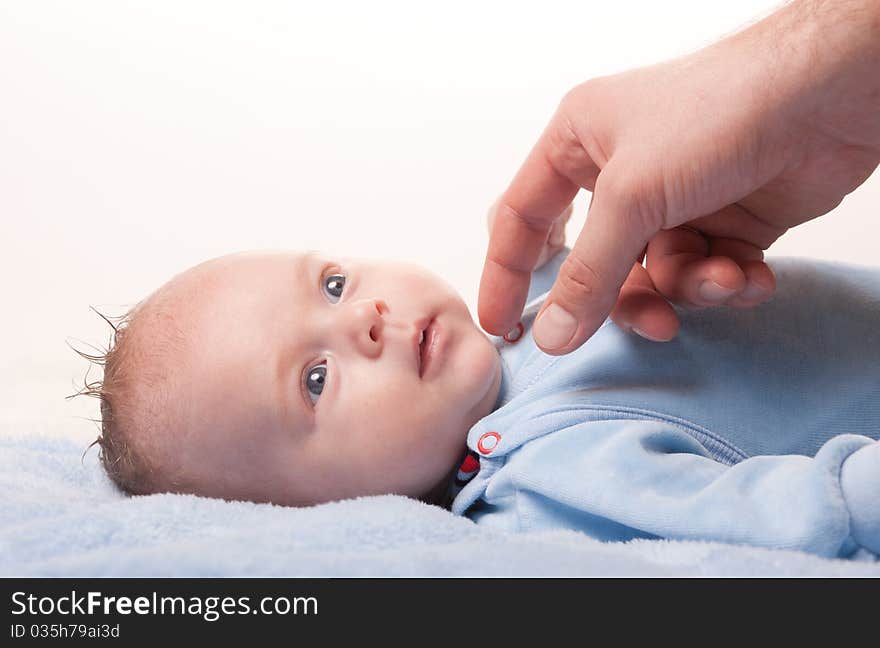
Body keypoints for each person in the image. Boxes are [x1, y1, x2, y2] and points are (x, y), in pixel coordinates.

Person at [76, 221, 880, 559]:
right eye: (316, 380)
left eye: (330, 284)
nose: (366, 316)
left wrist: (560, 226)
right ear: (328, 511)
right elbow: (792, 511)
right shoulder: (547, 477)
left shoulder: (519, 316)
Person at [479, 0, 880, 354]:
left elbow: (554, 269)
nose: (413, 325)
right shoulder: (549, 441)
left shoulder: (524, 313)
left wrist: (545, 250)